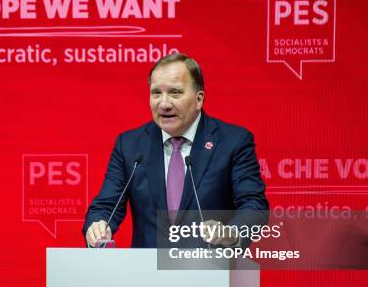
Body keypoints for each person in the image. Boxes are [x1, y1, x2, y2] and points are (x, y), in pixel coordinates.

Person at [83, 53, 269, 248]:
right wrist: (98, 226)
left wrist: (232, 233)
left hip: (212, 270)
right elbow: (106, 206)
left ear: (199, 99)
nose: (163, 103)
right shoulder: (130, 145)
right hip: (148, 273)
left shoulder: (233, 142)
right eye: (156, 93)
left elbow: (255, 207)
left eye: (175, 92)